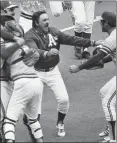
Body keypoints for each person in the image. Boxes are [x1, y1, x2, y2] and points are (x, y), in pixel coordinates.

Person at [23, 9, 101, 137]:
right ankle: (32, 123)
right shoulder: (30, 35)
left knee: (64, 99)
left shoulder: (54, 32)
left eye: (48, 19)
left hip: (53, 71)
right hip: (36, 73)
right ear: (36, 23)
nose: (47, 22)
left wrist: (92, 42)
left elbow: (71, 39)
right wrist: (47, 53)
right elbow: (33, 49)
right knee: (34, 104)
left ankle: (60, 122)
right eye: (44, 20)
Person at [69, 11, 116, 143]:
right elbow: (109, 56)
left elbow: (98, 56)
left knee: (108, 103)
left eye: (101, 21)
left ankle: (113, 139)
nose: (100, 23)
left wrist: (79, 68)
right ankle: (112, 128)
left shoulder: (112, 38)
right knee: (104, 92)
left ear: (106, 23)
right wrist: (101, 62)